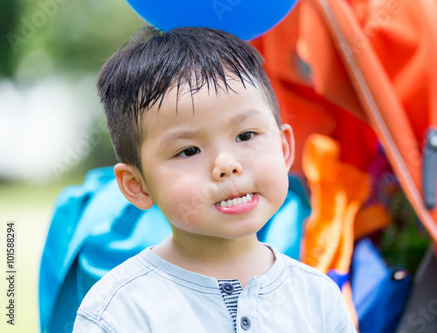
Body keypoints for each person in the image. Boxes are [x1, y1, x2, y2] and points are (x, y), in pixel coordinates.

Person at [73, 26, 356, 332]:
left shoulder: (318, 297)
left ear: (284, 148)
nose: (226, 165)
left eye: (245, 135)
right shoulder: (120, 310)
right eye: (189, 150)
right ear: (136, 185)